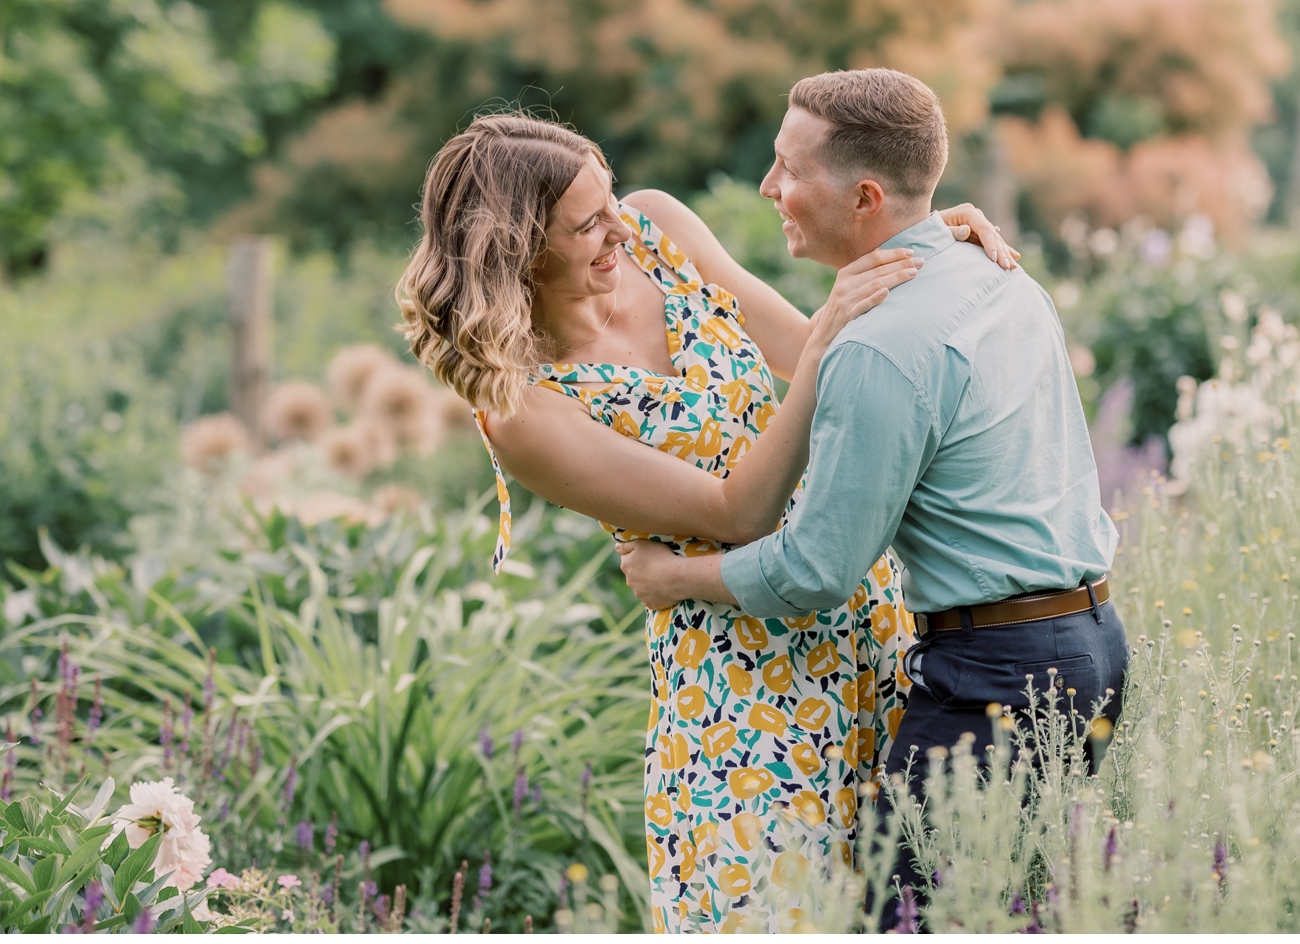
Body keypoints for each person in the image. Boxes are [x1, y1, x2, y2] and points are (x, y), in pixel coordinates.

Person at [394, 111, 1020, 933]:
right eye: (587, 224)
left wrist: (920, 237)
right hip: (740, 688)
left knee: (910, 907)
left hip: (868, 626)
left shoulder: (660, 227)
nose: (619, 226)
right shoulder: (524, 407)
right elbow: (741, 510)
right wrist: (827, 337)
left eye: (610, 197)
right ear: (516, 248)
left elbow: (808, 357)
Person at [613, 68, 1130, 925]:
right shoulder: (1001, 277)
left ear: (863, 196)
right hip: (1090, 647)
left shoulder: (880, 347)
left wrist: (675, 579)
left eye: (788, 168)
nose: (768, 186)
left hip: (996, 677)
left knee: (913, 917)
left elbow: (816, 567)